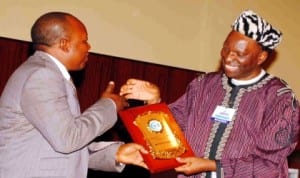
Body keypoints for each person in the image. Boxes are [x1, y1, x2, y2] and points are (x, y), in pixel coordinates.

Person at [119, 10, 300, 178]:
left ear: (261, 57)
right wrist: (154, 101)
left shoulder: (279, 98)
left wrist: (212, 165)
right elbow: (172, 136)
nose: (228, 58)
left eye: (239, 54)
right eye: (226, 49)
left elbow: (270, 165)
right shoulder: (203, 85)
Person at [0, 11, 148, 178]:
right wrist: (109, 105)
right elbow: (67, 139)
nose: (89, 47)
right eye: (84, 40)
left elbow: (58, 146)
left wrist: (116, 154)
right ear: (64, 44)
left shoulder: (44, 73)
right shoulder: (42, 76)